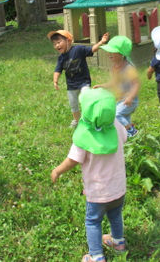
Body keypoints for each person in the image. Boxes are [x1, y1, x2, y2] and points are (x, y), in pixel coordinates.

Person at [51, 88, 128, 262]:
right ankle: (118, 243)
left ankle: (96, 256)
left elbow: (72, 160)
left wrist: (57, 170)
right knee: (115, 215)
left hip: (97, 193)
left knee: (93, 221)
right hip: (118, 188)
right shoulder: (115, 124)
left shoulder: (85, 135)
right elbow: (124, 138)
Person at [49, 30, 109, 127]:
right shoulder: (61, 58)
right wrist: (55, 80)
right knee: (73, 105)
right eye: (54, 44)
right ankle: (78, 121)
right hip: (71, 85)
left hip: (83, 82)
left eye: (59, 42)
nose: (57, 45)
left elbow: (92, 49)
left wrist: (101, 42)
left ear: (68, 41)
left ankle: (92, 116)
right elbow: (58, 70)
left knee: (86, 98)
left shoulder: (78, 49)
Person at [94, 36, 140, 137]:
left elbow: (136, 84)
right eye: (108, 51)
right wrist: (103, 86)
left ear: (121, 54)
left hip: (130, 100)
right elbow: (114, 82)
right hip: (120, 99)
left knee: (116, 115)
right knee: (123, 117)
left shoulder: (128, 69)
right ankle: (127, 135)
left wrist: (130, 97)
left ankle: (132, 131)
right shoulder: (114, 68)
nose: (109, 54)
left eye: (112, 51)